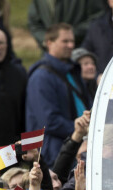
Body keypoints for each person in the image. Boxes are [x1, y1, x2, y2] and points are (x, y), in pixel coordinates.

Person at [26, 23, 92, 167]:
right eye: (65, 41)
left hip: (76, 146)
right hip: (53, 153)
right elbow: (49, 121)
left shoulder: (73, 70)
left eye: (72, 41)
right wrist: (83, 132)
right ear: (50, 43)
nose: (70, 45)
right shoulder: (41, 76)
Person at [27, 0, 104, 49]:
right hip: (49, 54)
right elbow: (34, 24)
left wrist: (68, 36)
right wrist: (47, 40)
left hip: (80, 53)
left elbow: (98, 18)